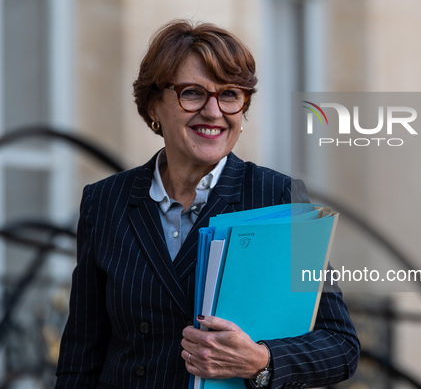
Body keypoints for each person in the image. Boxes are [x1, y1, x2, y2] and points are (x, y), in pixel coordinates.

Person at [55, 20, 359, 389]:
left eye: (230, 94)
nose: (214, 112)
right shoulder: (104, 202)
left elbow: (341, 345)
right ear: (154, 105)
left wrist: (261, 360)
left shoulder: (276, 195)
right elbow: (79, 358)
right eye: (193, 93)